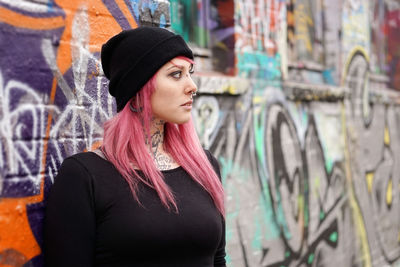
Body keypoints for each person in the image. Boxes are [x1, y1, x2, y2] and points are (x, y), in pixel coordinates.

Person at [44, 26, 226, 267]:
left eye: (190, 73)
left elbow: (218, 259)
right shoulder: (85, 177)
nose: (192, 86)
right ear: (139, 89)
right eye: (176, 74)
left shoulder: (204, 165)